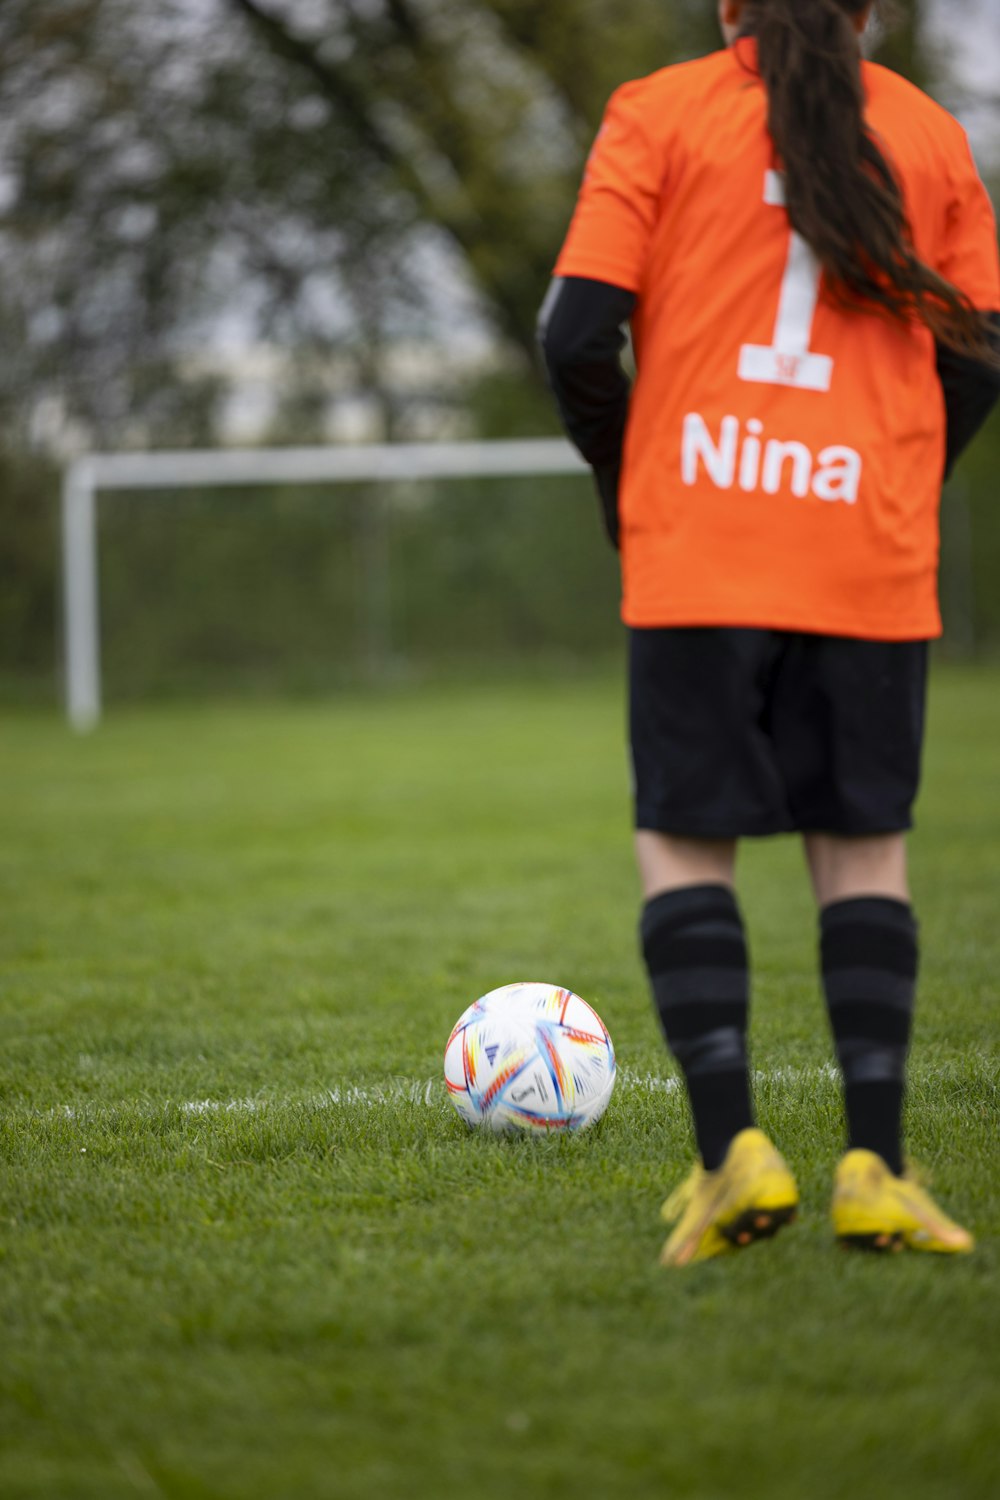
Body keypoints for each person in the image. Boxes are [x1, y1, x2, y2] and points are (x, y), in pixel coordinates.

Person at [539, 0, 1000, 1266]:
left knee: (687, 841)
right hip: (863, 543)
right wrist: (899, 476)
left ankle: (731, 1155)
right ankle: (877, 1169)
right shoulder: (928, 137)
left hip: (701, 537)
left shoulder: (659, 112)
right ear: (873, 7)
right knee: (861, 853)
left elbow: (575, 336)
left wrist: (628, 478)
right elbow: (979, 353)